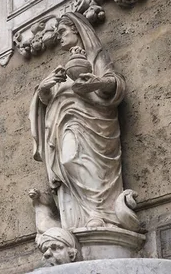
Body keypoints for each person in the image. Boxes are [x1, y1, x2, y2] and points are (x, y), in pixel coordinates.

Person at [30, 12, 127, 230]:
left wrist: (97, 84)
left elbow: (115, 82)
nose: (59, 37)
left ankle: (100, 213)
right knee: (68, 160)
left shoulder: (96, 56)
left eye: (63, 32)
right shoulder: (62, 70)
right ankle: (84, 216)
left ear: (76, 30)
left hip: (94, 124)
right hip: (66, 124)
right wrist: (45, 89)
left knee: (79, 162)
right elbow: (49, 99)